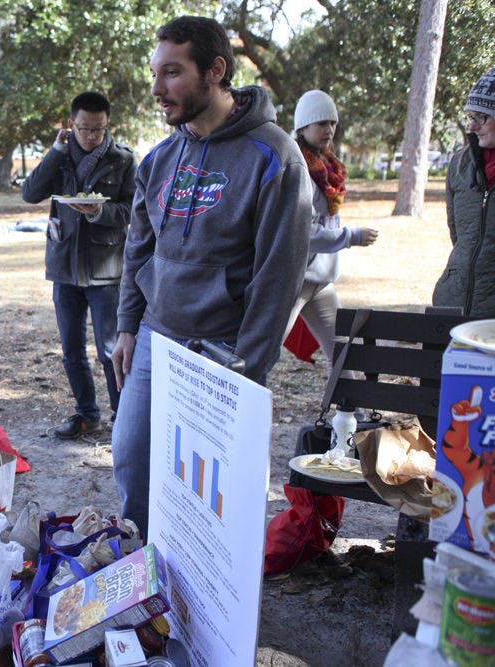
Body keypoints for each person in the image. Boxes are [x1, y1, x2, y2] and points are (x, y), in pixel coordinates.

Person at [110, 16, 312, 536]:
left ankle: (207, 607)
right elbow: (139, 246)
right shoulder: (159, 159)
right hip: (156, 336)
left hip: (223, 350)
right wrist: (129, 326)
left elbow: (278, 278)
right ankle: (142, 579)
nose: (158, 89)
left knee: (209, 491)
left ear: (216, 70)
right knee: (132, 460)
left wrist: (245, 369)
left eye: (173, 73)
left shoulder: (275, 157)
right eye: (155, 73)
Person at [21, 91, 136, 438]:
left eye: (99, 130)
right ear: (71, 126)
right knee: (72, 351)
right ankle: (87, 415)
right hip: (65, 268)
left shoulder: (123, 160)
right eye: (84, 129)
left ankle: (124, 419)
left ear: (107, 126)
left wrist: (100, 211)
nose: (92, 137)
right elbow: (30, 193)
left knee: (109, 351)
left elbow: (134, 211)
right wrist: (55, 152)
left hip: (106, 269)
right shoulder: (62, 157)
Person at [284, 90, 378, 376]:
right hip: (291, 281)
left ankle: (353, 414)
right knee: (262, 352)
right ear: (303, 126)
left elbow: (327, 220)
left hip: (321, 281)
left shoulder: (329, 167)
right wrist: (350, 237)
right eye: (321, 123)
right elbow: (303, 232)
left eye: (332, 123)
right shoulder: (296, 168)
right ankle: (235, 413)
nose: (328, 130)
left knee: (342, 349)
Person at [433, 66, 495, 318]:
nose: (471, 126)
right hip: (452, 303)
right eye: (471, 115)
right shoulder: (459, 166)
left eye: (482, 117)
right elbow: (458, 235)